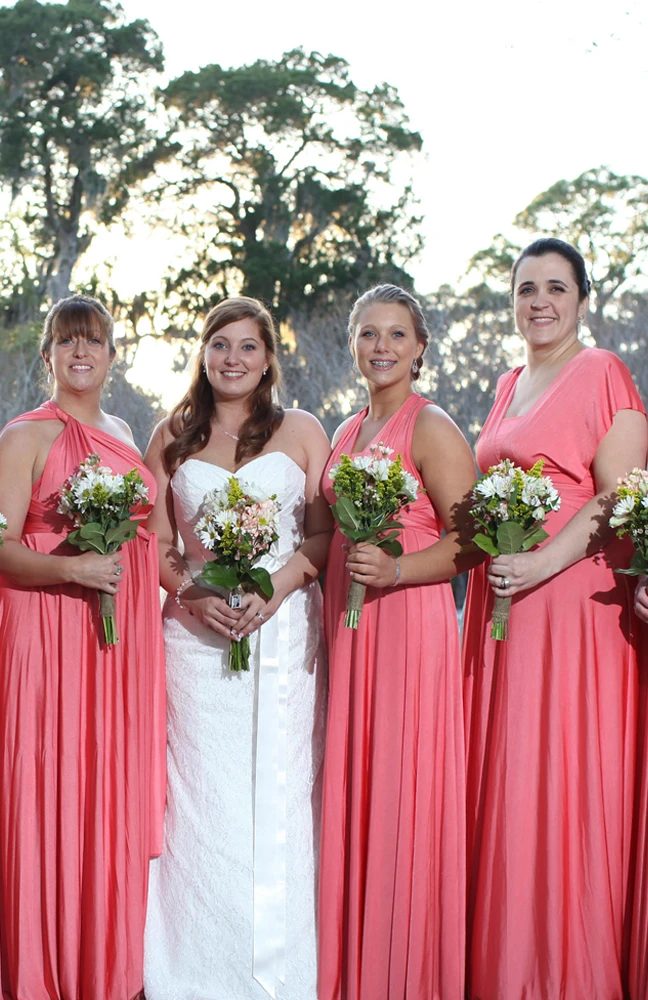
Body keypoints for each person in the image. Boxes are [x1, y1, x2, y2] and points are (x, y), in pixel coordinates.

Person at [461, 238, 646, 1000]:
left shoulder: (602, 372)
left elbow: (622, 496)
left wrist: (538, 564)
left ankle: (568, 973)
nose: (539, 301)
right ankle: (508, 969)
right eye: (526, 287)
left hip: (571, 608)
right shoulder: (508, 382)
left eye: (555, 288)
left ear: (582, 300)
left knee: (563, 783)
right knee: (511, 788)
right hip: (503, 611)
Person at [141, 296, 330, 1000]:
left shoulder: (303, 431)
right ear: (203, 352)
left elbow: (319, 536)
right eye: (220, 344)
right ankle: (192, 969)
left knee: (279, 790)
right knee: (203, 797)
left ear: (268, 358)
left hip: (281, 632)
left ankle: (278, 969)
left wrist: (274, 589)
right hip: (195, 641)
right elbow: (154, 545)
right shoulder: (171, 436)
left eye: (248, 347)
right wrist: (197, 594)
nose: (233, 359)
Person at [0, 294, 165, 1000]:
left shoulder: (123, 431)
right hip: (43, 635)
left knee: (104, 792)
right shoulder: (25, 435)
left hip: (115, 646)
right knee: (47, 782)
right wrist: (70, 568)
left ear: (113, 355)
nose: (80, 353)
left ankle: (106, 965)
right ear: (49, 356)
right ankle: (40, 966)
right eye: (66, 342)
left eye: (93, 341)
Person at [317, 284, 476, 1000]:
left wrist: (398, 569)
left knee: (401, 787)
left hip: (408, 627)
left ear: (419, 348)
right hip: (348, 633)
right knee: (352, 784)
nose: (381, 347)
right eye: (368, 334)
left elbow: (470, 542)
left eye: (396, 335)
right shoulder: (347, 430)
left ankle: (404, 973)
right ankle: (350, 967)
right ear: (354, 344)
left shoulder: (431, 426)